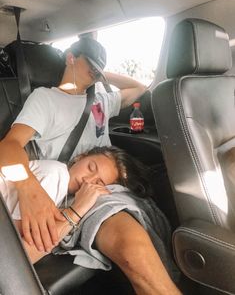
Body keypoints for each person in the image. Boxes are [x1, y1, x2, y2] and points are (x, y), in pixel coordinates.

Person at [0, 38, 147, 251]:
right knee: (128, 235)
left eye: (98, 69)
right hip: (62, 185)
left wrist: (101, 73)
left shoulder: (101, 100)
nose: (95, 72)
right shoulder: (46, 98)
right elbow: (9, 146)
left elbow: (138, 87)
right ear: (71, 58)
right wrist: (29, 189)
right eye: (91, 65)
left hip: (105, 183)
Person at [0, 146, 181, 294]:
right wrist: (76, 210)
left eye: (99, 182)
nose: (88, 180)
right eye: (90, 168)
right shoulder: (56, 175)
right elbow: (17, 256)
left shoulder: (59, 185)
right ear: (79, 157)